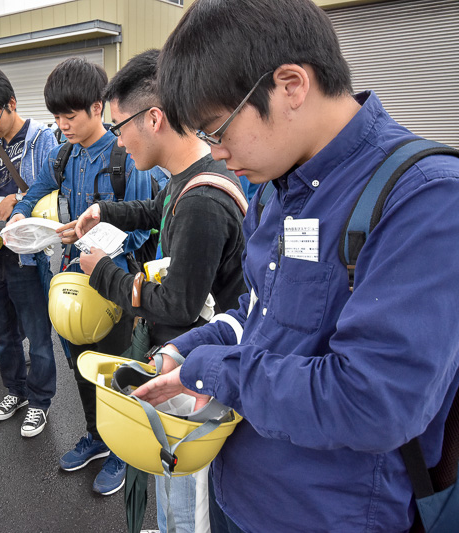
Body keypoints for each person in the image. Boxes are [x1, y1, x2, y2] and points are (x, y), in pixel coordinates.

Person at [131, 1, 459, 532]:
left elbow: (373, 402)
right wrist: (190, 347)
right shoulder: (274, 187)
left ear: (290, 85)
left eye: (217, 129)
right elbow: (259, 312)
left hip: (323, 515)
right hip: (235, 489)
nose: (216, 153)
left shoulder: (425, 199)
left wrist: (215, 370)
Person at [72, 49, 246, 532]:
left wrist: (102, 272)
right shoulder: (186, 178)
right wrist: (104, 211)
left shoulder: (203, 201)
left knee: (187, 490)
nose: (117, 139)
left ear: (154, 118)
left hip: (196, 371)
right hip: (181, 358)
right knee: (171, 479)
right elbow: (154, 210)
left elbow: (178, 304)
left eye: (119, 125)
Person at [9, 56, 153, 497]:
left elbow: (143, 227)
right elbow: (34, 190)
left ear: (97, 107)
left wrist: (96, 244)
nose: (62, 125)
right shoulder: (63, 154)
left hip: (115, 283)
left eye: (69, 116)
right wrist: (19, 214)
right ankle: (95, 435)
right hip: (72, 281)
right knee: (80, 364)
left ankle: (122, 452)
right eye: (56, 116)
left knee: (116, 370)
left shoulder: (125, 155)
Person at [0, 63, 58, 437]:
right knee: (3, 333)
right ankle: (15, 392)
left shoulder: (43, 139)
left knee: (38, 334)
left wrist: (17, 198)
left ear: (11, 104)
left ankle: (40, 402)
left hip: (27, 252)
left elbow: (53, 191)